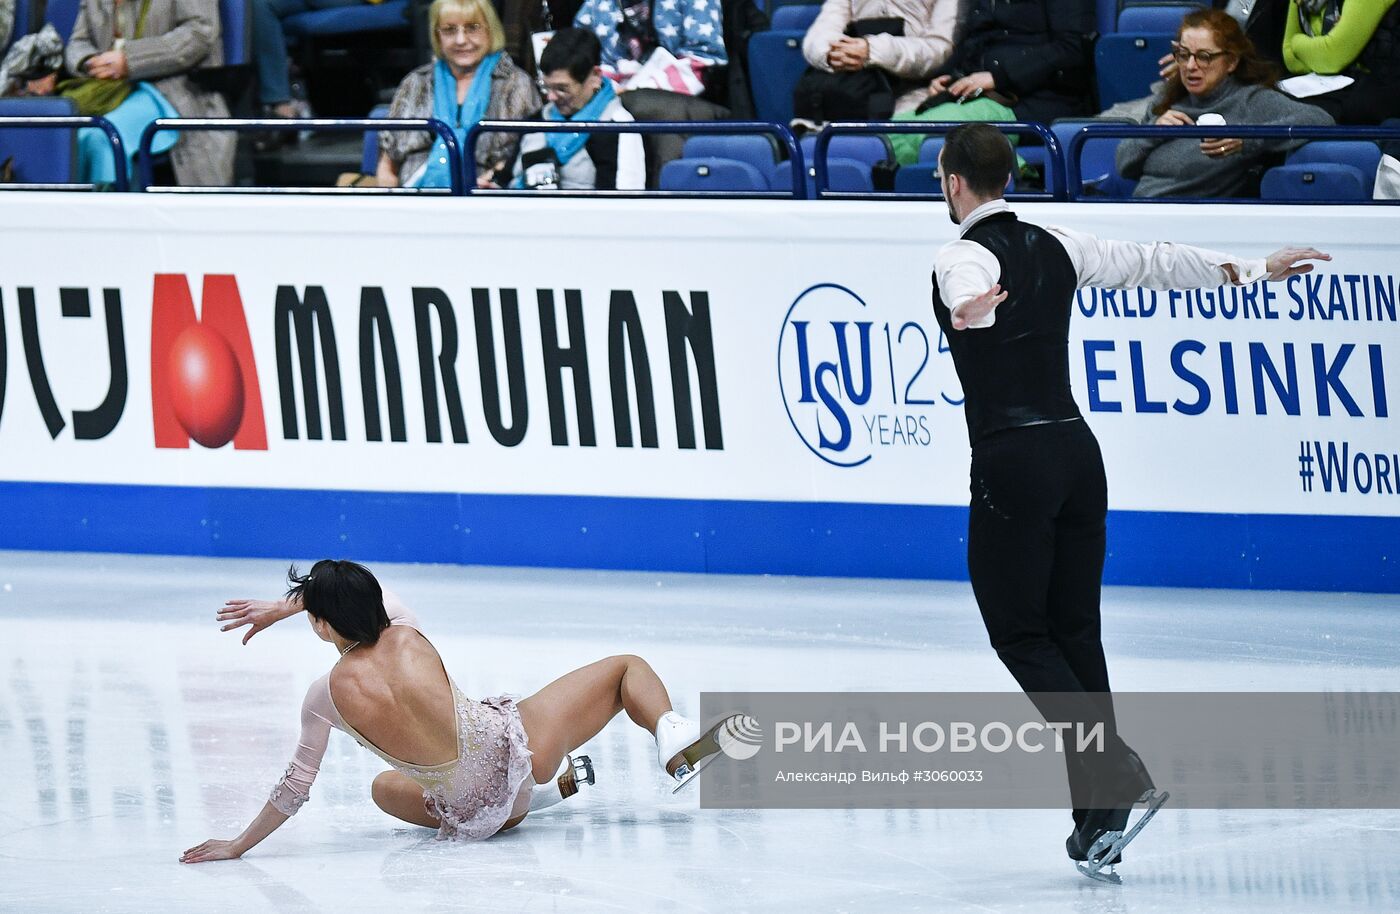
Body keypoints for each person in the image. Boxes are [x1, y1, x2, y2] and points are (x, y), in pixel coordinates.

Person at [930, 122, 1329, 880]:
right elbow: (1157, 263)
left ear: (953, 181)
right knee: (1075, 631)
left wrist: (971, 309)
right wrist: (1255, 267)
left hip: (1015, 460)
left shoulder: (961, 253)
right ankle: (1095, 823)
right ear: (1008, 175)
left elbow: (964, 288)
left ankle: (1112, 768)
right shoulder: (1060, 242)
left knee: (1019, 633)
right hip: (1080, 457)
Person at [180, 560, 728, 861]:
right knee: (624, 669)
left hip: (479, 815)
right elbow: (367, 589)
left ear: (322, 625)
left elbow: (294, 788)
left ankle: (534, 804)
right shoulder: (403, 626)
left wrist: (238, 845)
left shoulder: (324, 697)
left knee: (383, 788)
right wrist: (290, 604)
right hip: (522, 754)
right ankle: (672, 734)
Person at [1117, 8, 1334, 199]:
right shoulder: (1168, 99)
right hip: (1142, 213)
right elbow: (1123, 166)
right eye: (1183, 55)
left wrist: (1247, 140)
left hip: (1197, 224)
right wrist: (1152, 133)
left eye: (1204, 56)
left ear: (1231, 62)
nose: (1191, 66)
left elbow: (1320, 120)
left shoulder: (1250, 100)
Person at [65, 0, 234, 186]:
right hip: (104, 89)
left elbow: (199, 32)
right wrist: (89, 62)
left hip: (171, 88)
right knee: (60, 132)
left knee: (99, 136)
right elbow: (78, 41)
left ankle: (111, 211)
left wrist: (130, 61)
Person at [377, 0, 540, 189]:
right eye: (449, 30)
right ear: (437, 36)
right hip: (414, 203)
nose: (461, 40)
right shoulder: (415, 82)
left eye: (472, 28)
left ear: (490, 30)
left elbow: (527, 154)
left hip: (489, 202)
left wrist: (495, 182)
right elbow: (388, 162)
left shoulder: (516, 84)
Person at [514, 27, 645, 191]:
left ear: (595, 77)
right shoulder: (536, 121)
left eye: (562, 88)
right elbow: (505, 180)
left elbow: (625, 203)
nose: (551, 97)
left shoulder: (619, 127)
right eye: (546, 87)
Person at [796, 0, 957, 119]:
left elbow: (941, 48)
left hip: (914, 92)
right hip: (853, 87)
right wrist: (832, 53)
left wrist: (872, 50)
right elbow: (820, 34)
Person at [1283, 0, 1400, 124]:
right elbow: (1290, 59)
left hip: (1380, 84)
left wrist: (1296, 42)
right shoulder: (1298, 2)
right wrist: (1319, 56)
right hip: (1330, 83)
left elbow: (1331, 57)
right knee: (1275, 99)